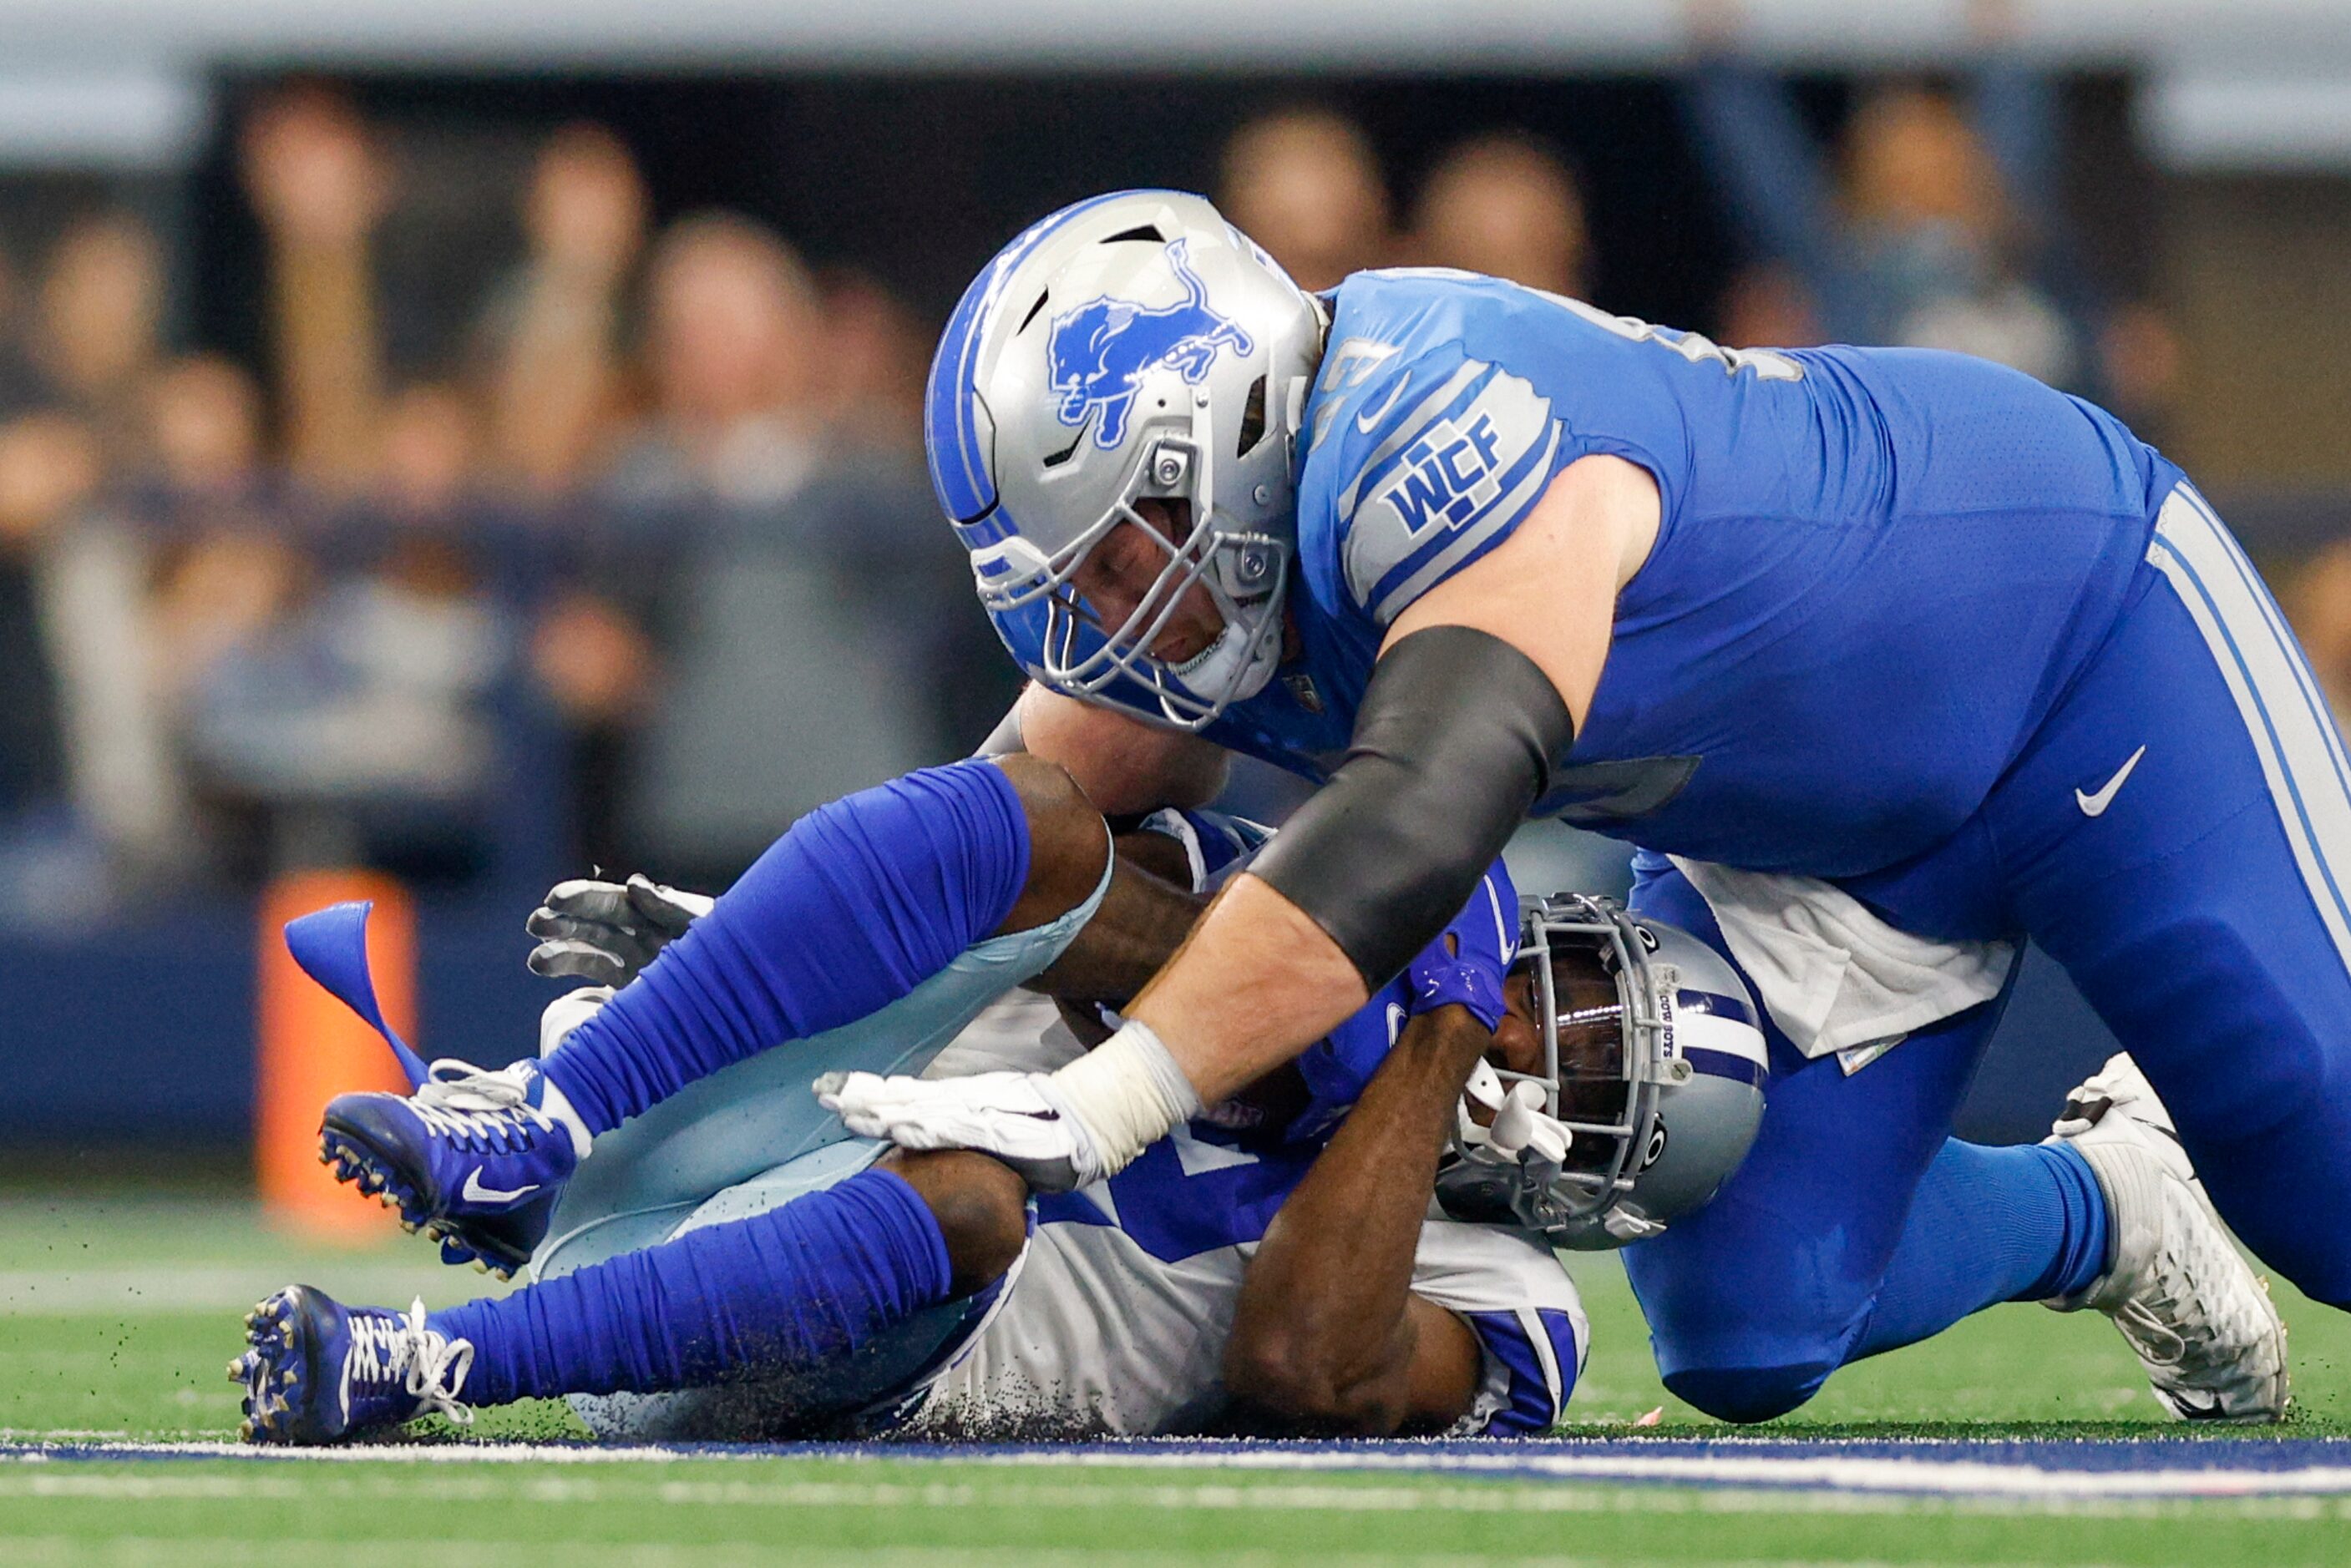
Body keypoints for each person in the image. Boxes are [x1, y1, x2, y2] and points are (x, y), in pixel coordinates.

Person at [819, 188, 2322, 1426]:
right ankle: (2113, 1201)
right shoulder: (1203, 557)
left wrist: (1096, 1105)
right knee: (1747, 1327)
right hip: (1809, 835)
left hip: (2078, 642)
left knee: (2327, 1189)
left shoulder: (1446, 429)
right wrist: (755, 988)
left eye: (1124, 548)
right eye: (1069, 574)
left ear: (1229, 422)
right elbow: (990, 840)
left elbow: (1409, 835)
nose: (1108, 612)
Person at [238, 759, 1659, 1443]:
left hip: (797, 1333)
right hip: (721, 1145)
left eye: (1575, 1057)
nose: (1526, 1026)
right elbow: (1060, 901)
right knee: (1029, 822)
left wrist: (1431, 1048)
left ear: (1595, 1172)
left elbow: (1307, 1360)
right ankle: (542, 1124)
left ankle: (429, 1362)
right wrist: (1326, 957)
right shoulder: (1296, 969)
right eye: (1549, 985)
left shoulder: (1520, 1304)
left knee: (975, 1190)